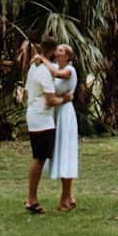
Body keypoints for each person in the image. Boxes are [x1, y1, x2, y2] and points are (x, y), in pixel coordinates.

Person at [22, 36, 70, 214]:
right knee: (40, 158)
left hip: (34, 114)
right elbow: (51, 101)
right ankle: (31, 199)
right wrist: (64, 99)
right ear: (51, 52)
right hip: (42, 118)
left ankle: (33, 198)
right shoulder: (44, 72)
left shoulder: (34, 68)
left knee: (40, 157)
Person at [46, 43, 79, 211]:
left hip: (65, 113)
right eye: (56, 51)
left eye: (61, 52)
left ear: (67, 56)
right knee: (60, 153)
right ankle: (68, 196)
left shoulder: (69, 71)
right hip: (56, 110)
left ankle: (65, 199)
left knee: (66, 153)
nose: (57, 54)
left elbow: (57, 73)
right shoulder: (52, 66)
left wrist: (42, 60)